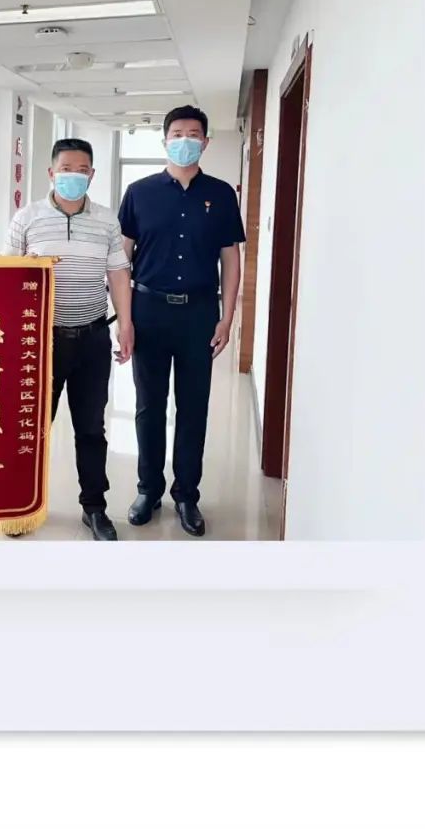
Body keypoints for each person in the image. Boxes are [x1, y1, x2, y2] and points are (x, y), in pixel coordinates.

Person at [118, 105, 245, 537]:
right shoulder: (139, 193)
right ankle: (148, 490)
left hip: (199, 314)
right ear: (165, 140)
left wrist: (227, 317)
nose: (185, 140)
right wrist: (124, 319)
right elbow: (122, 259)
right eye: (177, 133)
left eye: (193, 134)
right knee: (148, 406)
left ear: (205, 142)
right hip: (148, 310)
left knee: (193, 408)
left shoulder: (221, 194)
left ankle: (187, 495)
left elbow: (231, 259)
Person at [4, 138, 133, 540]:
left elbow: (118, 274)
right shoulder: (27, 218)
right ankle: (19, 503)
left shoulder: (107, 221)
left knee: (91, 428)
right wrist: (25, 269)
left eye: (81, 170)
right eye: (65, 169)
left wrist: (125, 323)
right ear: (51, 173)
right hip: (40, 342)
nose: (73, 176)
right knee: (32, 426)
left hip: (93, 338)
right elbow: (4, 276)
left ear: (92, 175)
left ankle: (94, 507)